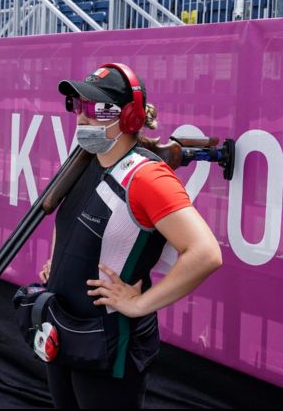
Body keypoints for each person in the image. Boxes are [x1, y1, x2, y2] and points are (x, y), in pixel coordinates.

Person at [37, 63, 223, 408]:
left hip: (109, 345)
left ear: (129, 118)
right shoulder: (88, 160)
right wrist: (58, 261)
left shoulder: (148, 177)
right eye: (78, 106)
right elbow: (71, 223)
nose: (82, 117)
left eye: (96, 109)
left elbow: (206, 252)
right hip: (66, 328)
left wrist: (138, 304)